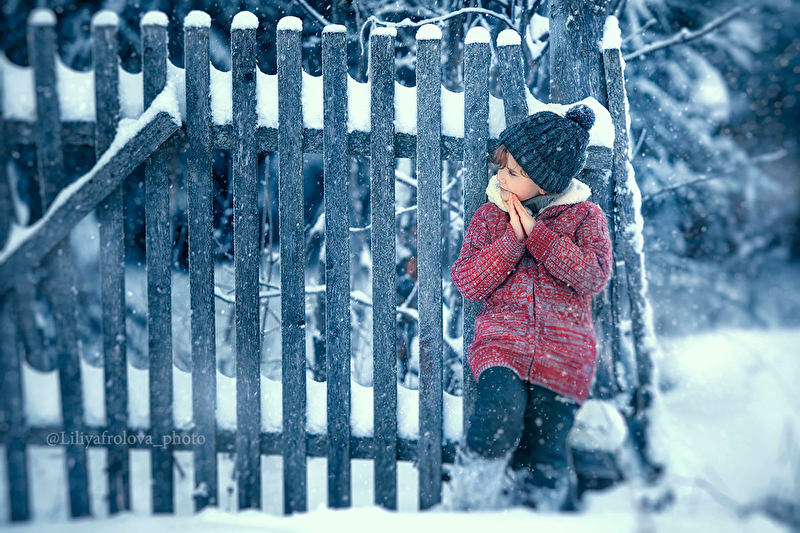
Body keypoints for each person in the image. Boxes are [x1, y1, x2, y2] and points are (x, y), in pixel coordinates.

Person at [448, 104, 613, 511]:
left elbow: (593, 276)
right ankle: (468, 505)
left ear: (544, 183)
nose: (500, 177)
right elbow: (468, 282)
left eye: (514, 172)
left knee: (545, 444)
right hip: (502, 346)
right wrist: (512, 240)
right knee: (497, 417)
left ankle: (537, 512)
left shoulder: (586, 218)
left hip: (564, 353)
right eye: (502, 167)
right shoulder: (489, 218)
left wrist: (539, 236)